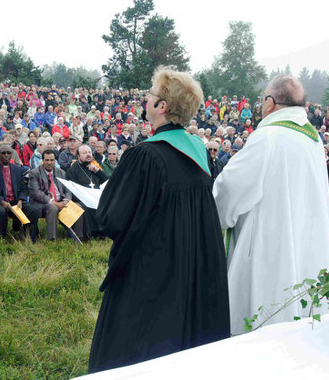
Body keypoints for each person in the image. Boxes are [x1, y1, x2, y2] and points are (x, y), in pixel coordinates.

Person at [89, 67, 230, 373]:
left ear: (161, 106)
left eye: (151, 94)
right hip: (192, 265)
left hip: (153, 271)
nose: (147, 98)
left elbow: (111, 218)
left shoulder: (146, 156)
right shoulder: (200, 154)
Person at [213, 76, 329, 335]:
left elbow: (230, 190)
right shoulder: (312, 138)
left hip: (269, 247)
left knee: (264, 319)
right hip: (306, 241)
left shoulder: (268, 137)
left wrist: (214, 212)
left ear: (269, 103)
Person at [0, 143, 40, 242]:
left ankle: (29, 237)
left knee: (33, 210)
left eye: (9, 153)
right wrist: (1, 201)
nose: (6, 155)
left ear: (12, 154)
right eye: (3, 153)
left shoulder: (17, 169)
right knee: (0, 212)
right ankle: (2, 237)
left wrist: (21, 200)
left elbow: (23, 189)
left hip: (15, 202)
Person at [28, 149, 82, 240]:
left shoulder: (61, 172)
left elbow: (67, 189)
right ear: (42, 160)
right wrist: (52, 202)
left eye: (52, 160)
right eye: (47, 160)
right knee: (53, 208)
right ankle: (52, 239)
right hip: (41, 204)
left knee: (77, 206)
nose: (49, 163)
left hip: (61, 202)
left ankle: (78, 236)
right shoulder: (34, 173)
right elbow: (36, 193)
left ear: (55, 161)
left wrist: (66, 201)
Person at [66, 144, 108, 239]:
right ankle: (89, 235)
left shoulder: (95, 167)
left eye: (89, 152)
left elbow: (106, 182)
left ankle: (103, 233)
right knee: (86, 207)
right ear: (78, 156)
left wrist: (97, 171)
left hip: (96, 198)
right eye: (84, 153)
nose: (88, 154)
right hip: (81, 199)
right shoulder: (72, 170)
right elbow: (71, 189)